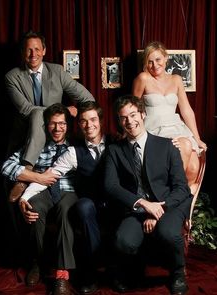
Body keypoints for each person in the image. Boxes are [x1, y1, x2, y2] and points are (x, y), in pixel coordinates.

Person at [104, 95, 192, 294]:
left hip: (168, 204)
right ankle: (134, 268)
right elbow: (110, 186)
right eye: (123, 117)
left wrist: (158, 208)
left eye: (133, 114)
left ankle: (177, 272)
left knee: (168, 233)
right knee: (123, 241)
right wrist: (143, 204)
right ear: (119, 121)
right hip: (135, 208)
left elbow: (181, 187)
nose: (130, 121)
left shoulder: (166, 145)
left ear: (143, 114)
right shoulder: (114, 151)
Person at [21, 101, 112, 294]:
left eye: (93, 119)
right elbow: (50, 174)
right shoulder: (73, 152)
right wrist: (25, 196)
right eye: (84, 121)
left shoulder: (116, 142)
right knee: (79, 208)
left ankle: (119, 270)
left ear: (101, 121)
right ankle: (67, 273)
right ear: (79, 125)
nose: (89, 125)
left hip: (115, 201)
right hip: (88, 202)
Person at [5, 30, 95, 202]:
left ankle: (26, 174)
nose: (33, 54)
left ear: (44, 50)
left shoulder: (57, 72)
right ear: (23, 52)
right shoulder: (12, 77)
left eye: (37, 49)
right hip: (24, 140)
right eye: (29, 50)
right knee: (14, 201)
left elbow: (87, 98)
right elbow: (27, 109)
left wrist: (83, 117)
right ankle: (27, 170)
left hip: (56, 138)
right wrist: (65, 111)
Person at [2, 103, 77, 295]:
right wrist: (37, 177)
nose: (57, 128)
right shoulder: (36, 145)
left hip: (68, 190)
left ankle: (62, 275)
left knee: (66, 210)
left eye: (62, 124)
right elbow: (6, 167)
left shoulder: (76, 145)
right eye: (53, 124)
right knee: (34, 207)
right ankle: (38, 263)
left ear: (68, 125)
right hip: (40, 189)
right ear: (46, 125)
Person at [132, 41, 207, 193]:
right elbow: (132, 107)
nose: (154, 65)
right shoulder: (143, 78)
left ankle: (183, 210)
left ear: (166, 58)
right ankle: (167, 197)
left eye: (158, 59)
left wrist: (197, 138)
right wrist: (131, 135)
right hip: (155, 129)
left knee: (193, 168)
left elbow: (186, 110)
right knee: (184, 147)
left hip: (177, 127)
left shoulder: (176, 79)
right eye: (150, 61)